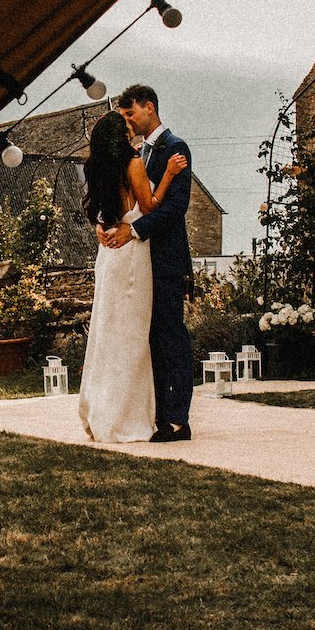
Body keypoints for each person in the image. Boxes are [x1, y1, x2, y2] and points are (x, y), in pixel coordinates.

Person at [76, 104, 187, 442]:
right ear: (121, 136)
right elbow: (150, 205)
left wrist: (100, 225)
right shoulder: (134, 163)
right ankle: (128, 414)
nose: (131, 126)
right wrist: (167, 174)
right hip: (133, 256)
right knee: (133, 338)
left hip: (109, 254)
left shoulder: (96, 167)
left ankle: (103, 411)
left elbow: (100, 208)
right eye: (125, 124)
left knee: (108, 332)